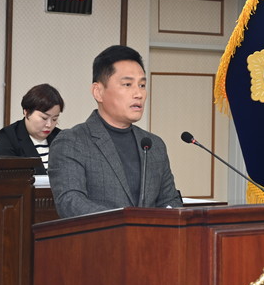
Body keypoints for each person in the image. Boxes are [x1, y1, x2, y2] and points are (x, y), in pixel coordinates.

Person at [48, 45, 182, 218]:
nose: (139, 94)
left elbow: (170, 200)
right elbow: (70, 203)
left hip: (151, 235)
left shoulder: (154, 145)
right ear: (98, 92)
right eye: (127, 84)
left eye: (142, 85)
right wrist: (127, 222)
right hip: (101, 235)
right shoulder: (72, 141)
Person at [0, 83, 64, 175]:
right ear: (26, 112)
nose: (49, 125)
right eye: (44, 118)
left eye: (54, 119)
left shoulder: (61, 138)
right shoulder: (9, 136)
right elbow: (3, 175)